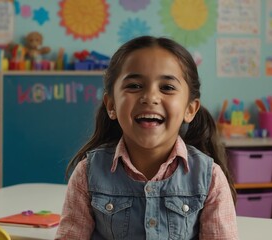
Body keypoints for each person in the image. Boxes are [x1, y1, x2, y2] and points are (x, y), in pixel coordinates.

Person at [55, 36, 238, 240]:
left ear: (190, 109)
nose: (150, 97)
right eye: (134, 86)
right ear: (111, 105)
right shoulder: (87, 173)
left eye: (167, 87)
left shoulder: (210, 178)